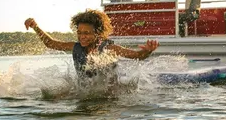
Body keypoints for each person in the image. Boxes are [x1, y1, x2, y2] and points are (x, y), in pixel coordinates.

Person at [24, 9, 159, 78]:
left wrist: (147, 50)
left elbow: (137, 56)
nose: (82, 37)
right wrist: (35, 26)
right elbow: (50, 43)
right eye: (80, 32)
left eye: (87, 33)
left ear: (98, 33)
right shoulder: (75, 47)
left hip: (109, 95)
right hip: (86, 91)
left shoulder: (109, 48)